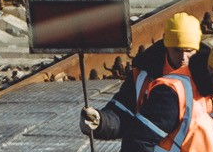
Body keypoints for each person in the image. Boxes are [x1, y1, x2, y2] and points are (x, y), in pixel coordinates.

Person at [80, 13, 200, 142]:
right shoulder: (142, 76)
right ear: (167, 45)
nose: (183, 58)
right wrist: (100, 121)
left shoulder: (209, 78)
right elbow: (122, 113)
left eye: (189, 51)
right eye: (177, 50)